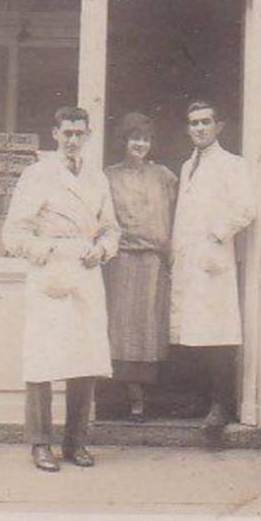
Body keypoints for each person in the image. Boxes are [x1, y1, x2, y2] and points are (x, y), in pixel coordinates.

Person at [2, 106, 120, 472]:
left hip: (85, 272)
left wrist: (101, 250)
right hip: (49, 272)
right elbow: (13, 233)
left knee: (84, 360)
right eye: (66, 133)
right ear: (55, 134)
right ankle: (40, 443)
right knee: (42, 360)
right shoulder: (37, 175)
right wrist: (44, 250)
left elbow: (111, 229)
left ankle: (76, 442)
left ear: (88, 136)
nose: (72, 140)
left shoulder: (96, 178)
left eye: (79, 134)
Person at [169, 99, 256, 438]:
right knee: (192, 333)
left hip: (214, 260)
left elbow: (247, 208)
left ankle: (221, 405)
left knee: (218, 333)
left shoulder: (233, 165)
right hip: (189, 260)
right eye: (193, 123)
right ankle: (200, 399)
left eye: (206, 122)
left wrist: (216, 235)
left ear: (218, 127)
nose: (199, 128)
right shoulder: (186, 166)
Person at [103, 112, 179, 420]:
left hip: (153, 262)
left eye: (146, 139)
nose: (140, 144)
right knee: (122, 329)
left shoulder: (164, 176)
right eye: (135, 138)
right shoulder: (109, 176)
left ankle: (148, 397)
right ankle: (128, 396)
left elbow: (176, 218)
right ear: (124, 141)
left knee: (151, 330)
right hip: (121, 262)